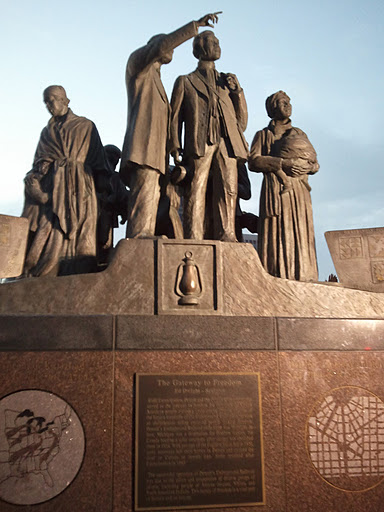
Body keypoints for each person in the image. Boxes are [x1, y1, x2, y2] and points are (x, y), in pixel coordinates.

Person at [120, 13, 221, 239]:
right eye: (169, 47)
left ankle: (144, 232)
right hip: (142, 148)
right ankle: (139, 236)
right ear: (155, 47)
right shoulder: (138, 66)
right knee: (144, 190)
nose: (172, 51)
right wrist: (194, 26)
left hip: (155, 153)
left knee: (151, 193)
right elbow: (163, 45)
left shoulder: (157, 79)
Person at [22, 85, 110, 276]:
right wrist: (33, 183)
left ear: (65, 100)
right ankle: (45, 270)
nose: (49, 105)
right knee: (51, 238)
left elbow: (100, 163)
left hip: (81, 189)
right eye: (46, 101)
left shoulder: (85, 126)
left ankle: (79, 273)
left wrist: (105, 190)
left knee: (82, 240)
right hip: (54, 191)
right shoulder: (47, 132)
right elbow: (39, 164)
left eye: (52, 99)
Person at [169, 30, 249, 241]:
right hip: (199, 140)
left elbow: (241, 122)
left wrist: (237, 93)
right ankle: (193, 236)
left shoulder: (227, 82)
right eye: (213, 42)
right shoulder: (185, 81)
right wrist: (174, 144)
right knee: (196, 188)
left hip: (227, 142)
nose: (217, 46)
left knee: (229, 189)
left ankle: (227, 234)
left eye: (218, 42)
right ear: (200, 48)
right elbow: (175, 116)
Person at [248, 91, 319, 281]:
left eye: (289, 102)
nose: (287, 105)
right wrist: (283, 164)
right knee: (277, 231)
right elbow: (253, 161)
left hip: (300, 190)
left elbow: (315, 163)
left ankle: (304, 276)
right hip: (276, 190)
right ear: (272, 109)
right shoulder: (263, 135)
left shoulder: (299, 133)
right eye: (282, 102)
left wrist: (308, 166)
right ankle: (276, 275)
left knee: (301, 231)